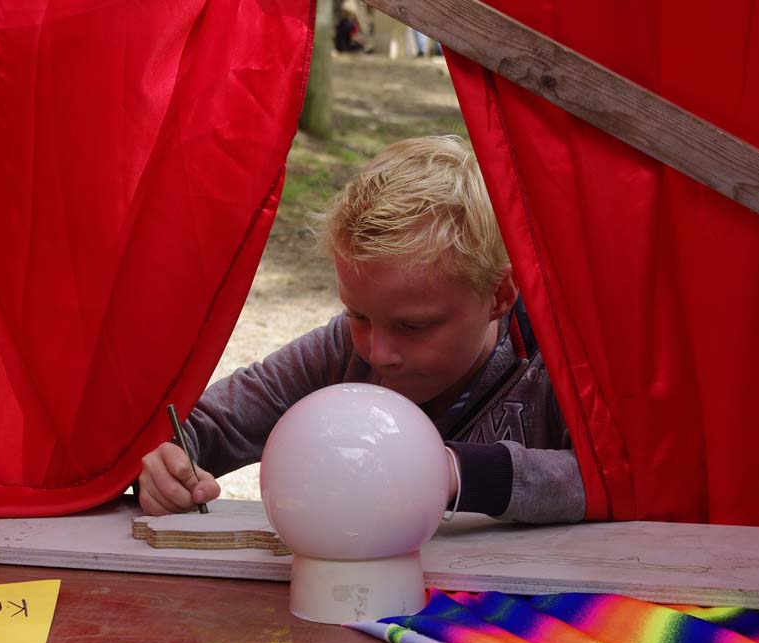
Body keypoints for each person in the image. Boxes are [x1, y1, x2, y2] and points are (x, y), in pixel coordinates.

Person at [138, 136, 585, 524]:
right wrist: (165, 465)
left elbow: (609, 476)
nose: (379, 353)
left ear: (499, 295)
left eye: (413, 325)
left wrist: (455, 472)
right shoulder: (340, 351)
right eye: (359, 316)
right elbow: (208, 424)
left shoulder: (563, 365)